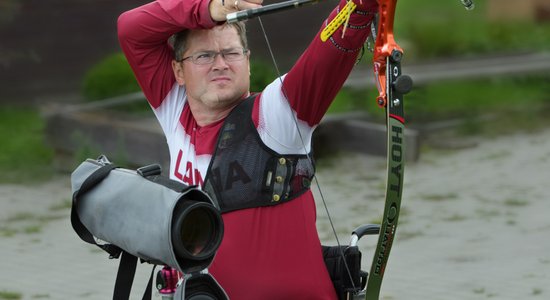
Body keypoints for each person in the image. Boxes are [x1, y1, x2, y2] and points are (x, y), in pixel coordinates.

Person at [117, 0, 378, 298]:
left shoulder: (275, 116)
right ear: (178, 70)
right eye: (204, 56)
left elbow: (329, 50)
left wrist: (360, 7)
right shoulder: (175, 109)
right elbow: (130, 28)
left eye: (231, 52)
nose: (220, 64)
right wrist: (207, 8)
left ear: (248, 60)